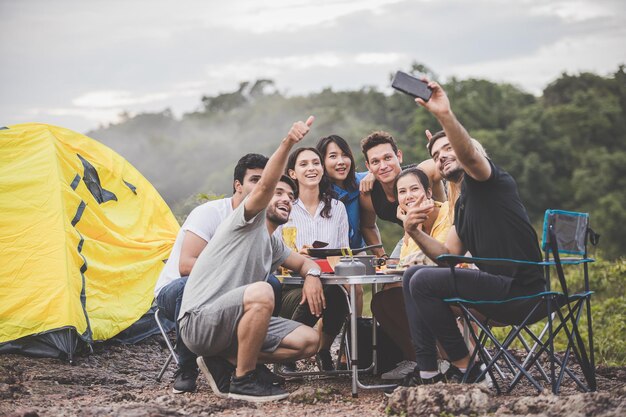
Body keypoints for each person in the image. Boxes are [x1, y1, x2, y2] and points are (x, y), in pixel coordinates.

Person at [398, 80, 545, 386]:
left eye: (447, 149)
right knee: (413, 276)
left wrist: (444, 115)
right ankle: (427, 371)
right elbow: (447, 256)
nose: (442, 156)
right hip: (498, 288)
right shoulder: (464, 202)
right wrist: (414, 231)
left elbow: (469, 156)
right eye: (437, 155)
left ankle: (469, 369)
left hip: (522, 290)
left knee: (423, 280)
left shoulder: (488, 181)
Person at [178, 117, 323, 403]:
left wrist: (313, 275)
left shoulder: (273, 243)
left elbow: (305, 263)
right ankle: (244, 379)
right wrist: (288, 142)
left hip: (233, 326)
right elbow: (265, 185)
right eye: (278, 193)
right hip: (199, 323)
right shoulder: (246, 220)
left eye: (291, 196)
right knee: (263, 290)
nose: (285, 199)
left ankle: (229, 359)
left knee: (310, 341)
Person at [154, 153, 280, 394]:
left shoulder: (264, 221)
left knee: (271, 283)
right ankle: (186, 366)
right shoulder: (210, 213)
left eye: (266, 181)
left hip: (226, 298)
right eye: (255, 180)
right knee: (187, 286)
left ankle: (249, 363)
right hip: (176, 291)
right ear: (238, 185)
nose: (262, 186)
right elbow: (186, 265)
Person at [370, 167, 452, 380]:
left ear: (428, 192)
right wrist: (408, 228)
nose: (408, 196)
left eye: (414, 189)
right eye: (402, 192)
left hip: (452, 284)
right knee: (381, 301)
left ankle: (449, 360)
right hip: (426, 285)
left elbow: (440, 259)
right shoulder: (412, 222)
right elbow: (407, 261)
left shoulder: (446, 214)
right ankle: (416, 358)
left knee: (412, 295)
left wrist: (412, 229)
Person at [276, 147, 350, 371]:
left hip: (330, 281)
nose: (311, 168)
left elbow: (343, 253)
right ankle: (285, 355)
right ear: (293, 173)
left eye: (316, 163)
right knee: (315, 293)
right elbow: (274, 255)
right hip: (290, 286)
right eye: (304, 164)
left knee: (338, 295)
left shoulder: (337, 208)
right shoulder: (284, 206)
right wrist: (299, 258)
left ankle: (323, 350)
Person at [358, 131, 445, 254]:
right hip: (412, 235)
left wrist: (440, 152)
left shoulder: (422, 174)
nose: (383, 166)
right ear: (368, 166)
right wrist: (382, 257)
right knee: (393, 270)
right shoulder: (369, 195)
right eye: (375, 162)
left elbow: (452, 164)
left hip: (445, 229)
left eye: (387, 158)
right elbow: (368, 226)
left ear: (399, 156)